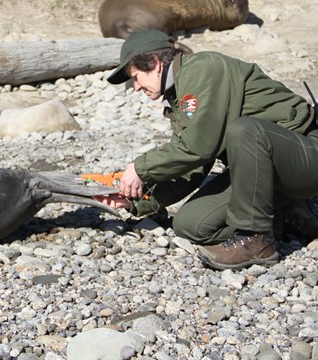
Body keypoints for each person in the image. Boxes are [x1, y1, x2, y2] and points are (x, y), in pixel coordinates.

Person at [100, 29, 318, 270]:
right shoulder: (177, 96)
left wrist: (140, 169)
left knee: (246, 130)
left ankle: (256, 239)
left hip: (306, 156)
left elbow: (197, 148)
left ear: (155, 63)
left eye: (136, 77)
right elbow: (190, 167)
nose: (136, 87)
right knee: (190, 224)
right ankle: (283, 217)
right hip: (263, 174)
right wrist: (136, 200)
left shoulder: (202, 68)